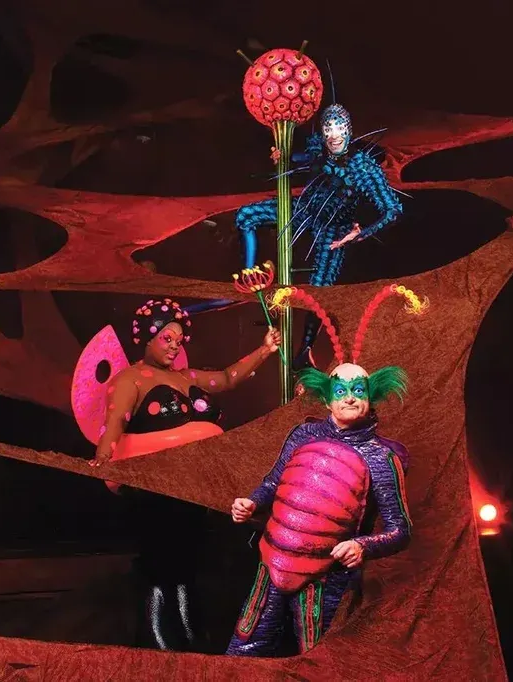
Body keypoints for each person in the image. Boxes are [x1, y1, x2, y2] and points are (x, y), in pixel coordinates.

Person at [90, 298, 280, 652]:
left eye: (178, 340)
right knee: (160, 562)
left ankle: (189, 635)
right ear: (148, 338)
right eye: (167, 338)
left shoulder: (186, 377)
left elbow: (227, 378)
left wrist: (265, 349)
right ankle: (156, 639)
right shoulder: (130, 379)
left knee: (187, 560)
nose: (174, 346)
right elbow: (114, 422)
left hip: (192, 488)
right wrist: (102, 459)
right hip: (155, 489)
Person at [226, 361, 413, 656]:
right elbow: (273, 482)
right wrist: (252, 503)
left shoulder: (381, 459)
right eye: (340, 391)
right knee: (244, 650)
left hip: (327, 576)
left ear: (371, 397)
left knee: (318, 658)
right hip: (272, 560)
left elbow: (400, 530)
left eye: (358, 391)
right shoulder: (303, 435)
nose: (349, 398)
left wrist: (362, 546)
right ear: (327, 399)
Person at [234, 102, 404, 370]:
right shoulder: (319, 150)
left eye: (339, 128)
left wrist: (358, 234)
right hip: (303, 209)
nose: (333, 135)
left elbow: (392, 210)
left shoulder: (362, 167)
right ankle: (251, 274)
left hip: (335, 230)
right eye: (328, 128)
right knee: (245, 216)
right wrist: (282, 157)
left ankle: (305, 351)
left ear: (348, 130)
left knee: (320, 290)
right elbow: (301, 159)